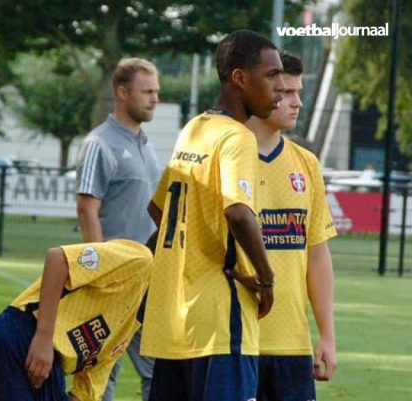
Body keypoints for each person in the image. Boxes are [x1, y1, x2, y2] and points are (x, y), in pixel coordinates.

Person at [141, 29, 283, 401]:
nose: (280, 87)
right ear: (239, 78)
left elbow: (159, 208)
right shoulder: (237, 138)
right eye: (271, 75)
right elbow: (238, 212)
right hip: (222, 322)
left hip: (177, 321)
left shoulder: (194, 129)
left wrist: (194, 251)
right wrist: (265, 279)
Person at [245, 52, 338, 401]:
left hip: (293, 346)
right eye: (286, 92)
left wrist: (327, 335)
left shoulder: (306, 164)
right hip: (234, 343)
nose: (298, 102)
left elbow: (316, 254)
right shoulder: (226, 156)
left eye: (299, 92)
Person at [74, 57, 161, 401]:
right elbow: (86, 208)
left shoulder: (146, 144)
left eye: (157, 91)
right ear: (122, 93)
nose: (155, 98)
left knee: (157, 369)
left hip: (147, 279)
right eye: (147, 91)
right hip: (111, 281)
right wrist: (100, 269)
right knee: (100, 372)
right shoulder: (100, 143)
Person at [0, 239, 154, 401]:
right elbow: (58, 259)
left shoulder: (129, 327)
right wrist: (44, 338)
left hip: (50, 369)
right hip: (20, 337)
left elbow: (86, 391)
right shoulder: (140, 260)